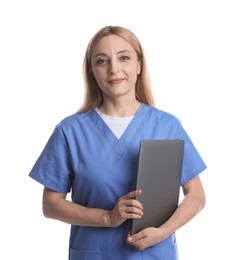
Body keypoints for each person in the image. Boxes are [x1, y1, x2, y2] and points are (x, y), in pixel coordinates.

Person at [29, 25, 207, 260]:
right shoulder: (70, 131)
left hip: (153, 253)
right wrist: (107, 218)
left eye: (124, 57)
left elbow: (196, 195)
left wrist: (163, 232)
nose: (114, 69)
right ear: (92, 71)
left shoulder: (167, 125)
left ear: (139, 65)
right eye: (102, 61)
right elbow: (50, 204)